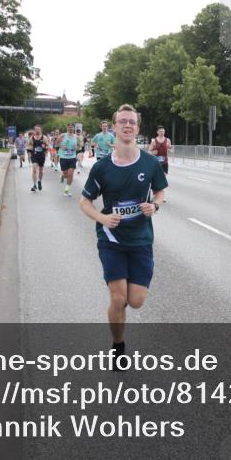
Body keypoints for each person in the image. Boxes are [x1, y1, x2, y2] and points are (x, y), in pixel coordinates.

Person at [80, 104, 167, 367]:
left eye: (132, 122)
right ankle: (118, 346)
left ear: (138, 128)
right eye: (122, 122)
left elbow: (161, 192)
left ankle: (120, 313)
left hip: (141, 240)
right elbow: (84, 202)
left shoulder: (150, 163)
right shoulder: (102, 168)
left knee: (136, 302)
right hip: (112, 240)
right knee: (118, 298)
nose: (127, 125)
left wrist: (155, 205)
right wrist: (103, 218)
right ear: (115, 127)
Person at [56, 123, 81, 196]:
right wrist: (61, 146)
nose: (71, 129)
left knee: (70, 173)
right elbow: (56, 143)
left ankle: (67, 189)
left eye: (72, 127)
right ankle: (63, 176)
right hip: (63, 157)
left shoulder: (76, 137)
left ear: (74, 128)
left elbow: (80, 145)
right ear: (67, 128)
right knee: (65, 174)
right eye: (69, 127)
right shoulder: (63, 135)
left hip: (72, 157)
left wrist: (77, 147)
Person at [29, 125, 47, 192]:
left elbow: (48, 146)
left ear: (41, 130)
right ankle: (34, 184)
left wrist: (44, 146)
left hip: (41, 156)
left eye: (39, 129)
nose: (37, 130)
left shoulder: (44, 138)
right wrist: (29, 151)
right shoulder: (31, 138)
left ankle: (39, 181)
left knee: (41, 171)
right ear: (34, 130)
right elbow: (28, 146)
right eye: (36, 129)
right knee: (34, 170)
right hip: (34, 156)